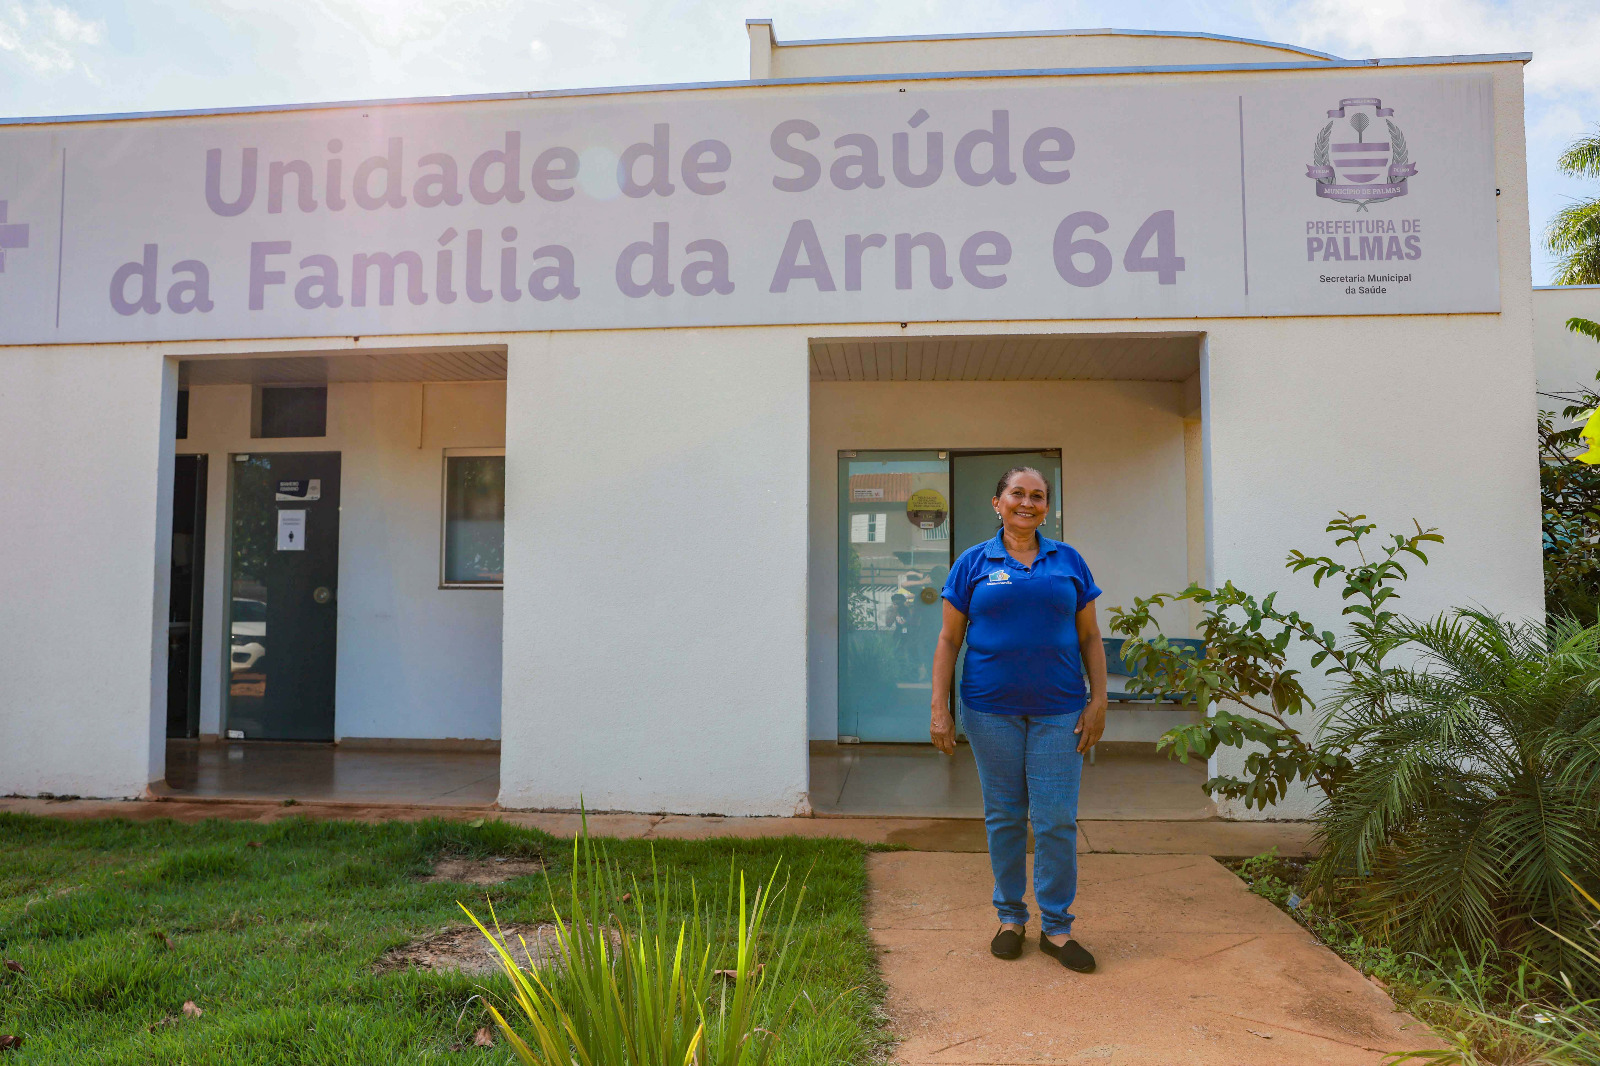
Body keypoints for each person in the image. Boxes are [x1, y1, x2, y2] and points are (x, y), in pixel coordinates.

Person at [930, 466, 1108, 973]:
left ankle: (1057, 928)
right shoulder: (973, 563)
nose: (1026, 503)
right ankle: (1010, 919)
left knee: (1055, 819)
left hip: (1061, 710)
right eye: (1017, 494)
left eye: (1037, 496)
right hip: (990, 710)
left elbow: (1091, 637)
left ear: (1045, 507)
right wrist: (939, 708)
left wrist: (1099, 700)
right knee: (1005, 816)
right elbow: (948, 639)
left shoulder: (1068, 561)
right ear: (997, 502)